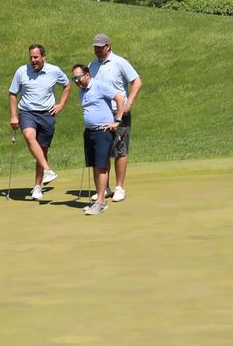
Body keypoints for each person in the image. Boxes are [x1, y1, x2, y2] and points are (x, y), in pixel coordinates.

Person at [87, 32, 142, 202]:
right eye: (95, 47)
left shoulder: (119, 62)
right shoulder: (92, 65)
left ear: (108, 46)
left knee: (119, 149)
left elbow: (137, 81)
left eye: (100, 47)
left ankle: (119, 187)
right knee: (102, 151)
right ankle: (106, 188)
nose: (97, 50)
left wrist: (128, 103)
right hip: (100, 115)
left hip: (118, 113)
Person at [7, 43, 65, 200]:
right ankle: (47, 169)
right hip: (27, 112)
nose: (33, 60)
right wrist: (14, 116)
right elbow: (12, 93)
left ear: (43, 57)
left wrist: (61, 104)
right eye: (31, 57)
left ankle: (38, 186)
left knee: (42, 151)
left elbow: (67, 85)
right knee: (28, 135)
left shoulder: (54, 71)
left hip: (47, 114)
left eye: (36, 57)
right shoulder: (21, 71)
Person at [69, 63, 129, 216]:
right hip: (89, 133)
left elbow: (119, 98)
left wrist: (117, 120)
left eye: (78, 77)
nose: (76, 81)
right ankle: (100, 200)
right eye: (74, 78)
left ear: (87, 75)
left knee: (101, 166)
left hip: (103, 132)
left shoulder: (99, 86)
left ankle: (101, 201)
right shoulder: (82, 92)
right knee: (95, 166)